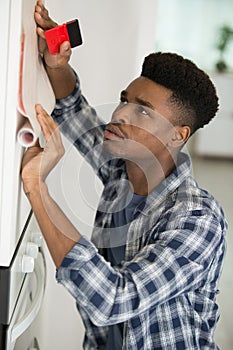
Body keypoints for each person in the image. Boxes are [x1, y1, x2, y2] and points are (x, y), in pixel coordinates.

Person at [21, 1, 227, 349]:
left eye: (143, 111)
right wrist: (57, 63)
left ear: (178, 135)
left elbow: (115, 300)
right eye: (124, 99)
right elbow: (73, 108)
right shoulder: (123, 170)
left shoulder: (198, 219)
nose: (121, 114)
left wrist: (37, 189)